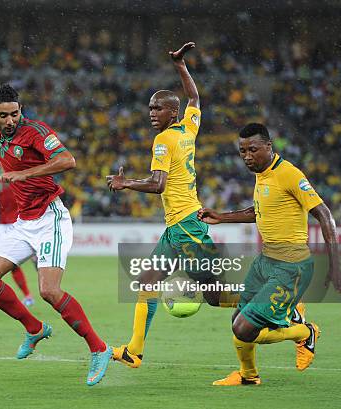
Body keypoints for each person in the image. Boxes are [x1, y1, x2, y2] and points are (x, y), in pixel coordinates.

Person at [0, 84, 112, 386]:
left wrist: (25, 173)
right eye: (4, 115)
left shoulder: (36, 132)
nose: (11, 120)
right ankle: (34, 328)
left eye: (15, 113)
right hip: (22, 223)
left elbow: (68, 161)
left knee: (50, 292)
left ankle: (99, 348)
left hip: (50, 218)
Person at [106, 42, 241, 368]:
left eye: (157, 109)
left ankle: (282, 303)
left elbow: (158, 184)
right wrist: (180, 65)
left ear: (171, 112)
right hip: (178, 226)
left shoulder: (165, 140)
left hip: (187, 227)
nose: (151, 114)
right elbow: (195, 98)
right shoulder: (188, 129)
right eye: (150, 109)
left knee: (215, 295)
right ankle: (134, 351)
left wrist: (127, 184)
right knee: (147, 283)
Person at [198, 123, 341, 386]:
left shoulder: (289, 174)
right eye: (242, 150)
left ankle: (304, 331)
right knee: (239, 321)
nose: (247, 156)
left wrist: (335, 266)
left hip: (291, 266)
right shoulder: (262, 174)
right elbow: (258, 211)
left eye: (253, 149)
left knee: (243, 328)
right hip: (266, 261)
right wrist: (221, 217)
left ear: (269, 146)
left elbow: (324, 215)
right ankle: (248, 376)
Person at [0, 163, 34, 307]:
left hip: (25, 222)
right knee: (11, 265)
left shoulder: (24, 173)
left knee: (38, 260)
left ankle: (47, 290)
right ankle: (27, 296)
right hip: (4, 226)